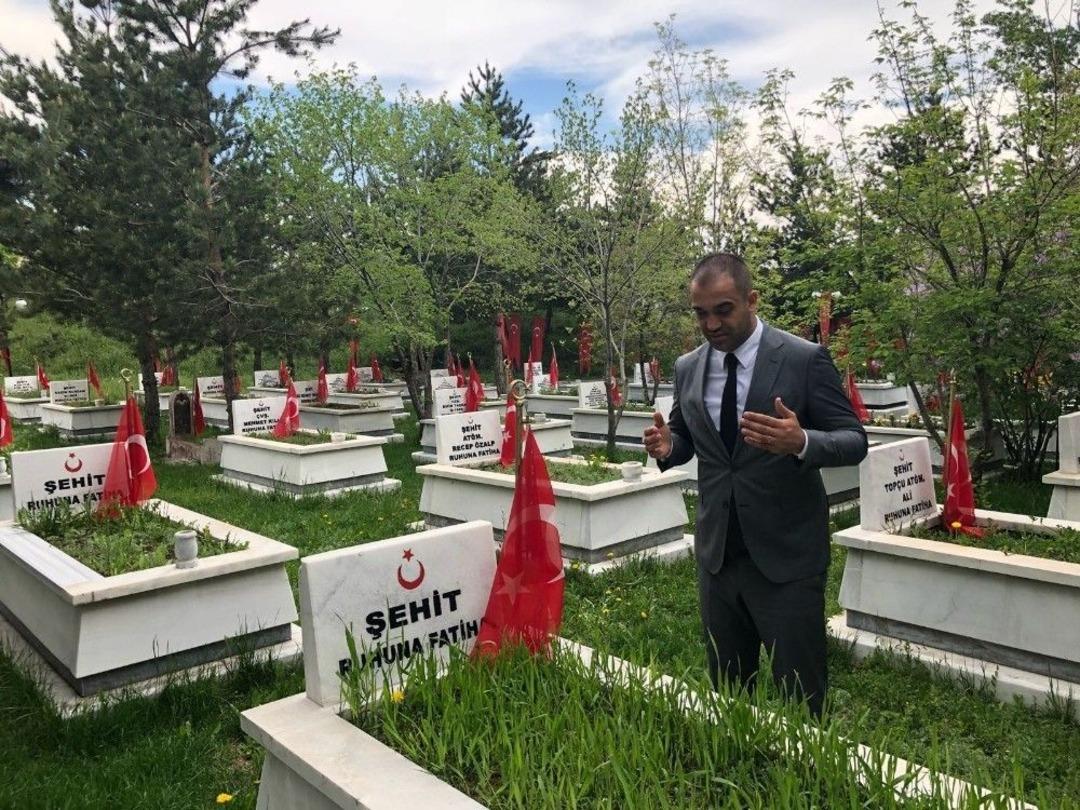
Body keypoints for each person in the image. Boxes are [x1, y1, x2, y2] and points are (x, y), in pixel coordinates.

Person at [644, 253, 867, 717]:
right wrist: (668, 448)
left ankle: (803, 762)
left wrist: (802, 441)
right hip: (718, 557)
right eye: (701, 313)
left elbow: (854, 440)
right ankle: (738, 757)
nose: (711, 324)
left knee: (801, 697)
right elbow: (686, 437)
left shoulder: (803, 359)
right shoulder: (688, 367)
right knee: (727, 692)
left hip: (788, 558)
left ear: (752, 300)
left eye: (723, 310)